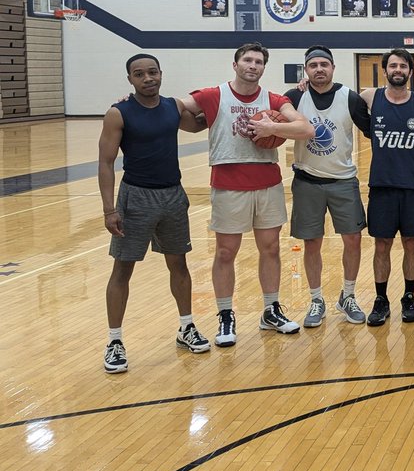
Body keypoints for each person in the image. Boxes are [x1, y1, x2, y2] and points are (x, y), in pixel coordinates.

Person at [180, 42, 315, 348]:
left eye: (258, 62)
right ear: (235, 64)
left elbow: (305, 128)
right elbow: (175, 106)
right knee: (225, 253)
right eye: (248, 60)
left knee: (271, 249)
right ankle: (225, 314)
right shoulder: (214, 95)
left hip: (267, 182)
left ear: (263, 68)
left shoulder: (274, 100)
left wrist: (272, 129)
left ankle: (271, 310)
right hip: (228, 183)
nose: (253, 65)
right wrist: (135, 101)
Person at [98, 54, 210, 373]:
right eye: (139, 74)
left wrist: (230, 104)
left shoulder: (173, 107)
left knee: (179, 264)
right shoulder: (118, 113)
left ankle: (186, 327)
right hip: (135, 197)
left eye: (152, 72)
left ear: (161, 74)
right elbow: (105, 162)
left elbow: (199, 124)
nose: (147, 78)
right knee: (123, 269)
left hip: (173, 195)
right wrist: (109, 209)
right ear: (130, 80)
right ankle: (114, 341)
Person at [284, 46, 372, 328]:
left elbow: (372, 131)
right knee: (312, 242)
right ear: (306, 70)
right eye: (313, 65)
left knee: (353, 239)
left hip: (343, 180)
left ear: (333, 68)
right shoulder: (294, 97)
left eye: (324, 64)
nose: (319, 69)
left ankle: (348, 295)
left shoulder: (350, 98)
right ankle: (316, 299)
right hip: (307, 181)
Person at [361, 48, 414, 326]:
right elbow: (337, 99)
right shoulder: (370, 97)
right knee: (382, 244)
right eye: (393, 66)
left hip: (413, 186)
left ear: (410, 71)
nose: (398, 70)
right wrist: (303, 86)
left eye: (403, 66)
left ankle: (409, 297)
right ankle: (381, 299)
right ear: (385, 70)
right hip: (382, 186)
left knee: (411, 243)